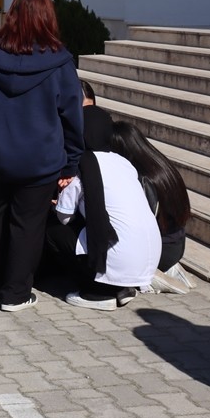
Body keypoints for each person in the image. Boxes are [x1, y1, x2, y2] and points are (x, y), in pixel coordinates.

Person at [0, 0, 84, 311]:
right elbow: (72, 118)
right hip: (40, 163)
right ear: (48, 17)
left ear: (12, 14)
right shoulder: (60, 63)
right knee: (27, 227)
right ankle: (15, 294)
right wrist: (70, 164)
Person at [53, 107, 163, 310]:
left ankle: (97, 292)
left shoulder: (81, 165)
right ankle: (122, 287)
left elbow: (64, 217)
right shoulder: (124, 163)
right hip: (148, 260)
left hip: (120, 256)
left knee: (53, 230)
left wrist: (58, 203)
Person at [109, 121, 195, 293]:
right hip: (177, 243)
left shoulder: (140, 178)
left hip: (156, 250)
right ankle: (168, 267)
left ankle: (149, 274)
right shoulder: (161, 166)